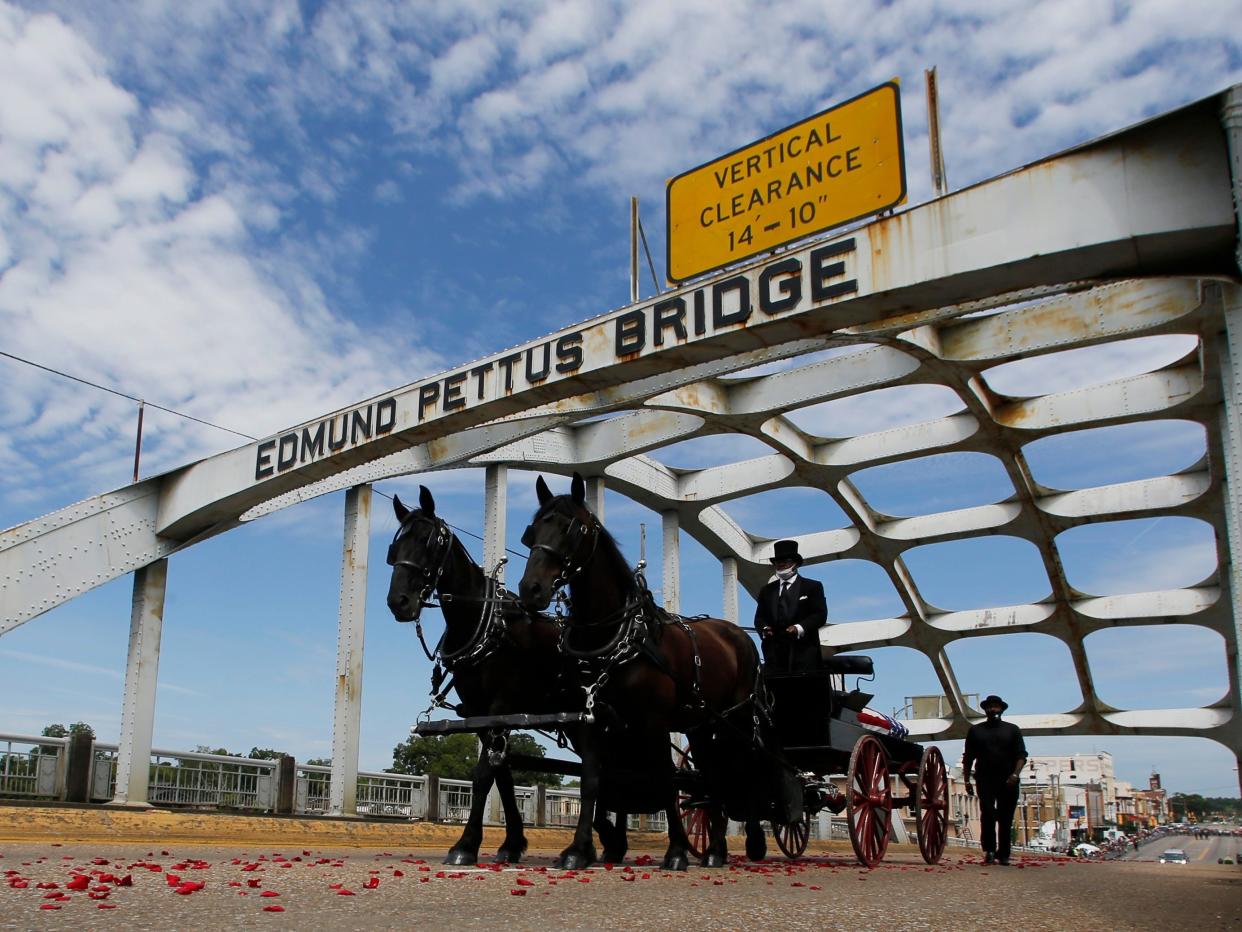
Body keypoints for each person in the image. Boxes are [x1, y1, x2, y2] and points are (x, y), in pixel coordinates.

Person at [962, 694, 1027, 866]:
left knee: (1006, 817)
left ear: (1002, 709)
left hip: (1009, 780)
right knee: (988, 814)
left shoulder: (1012, 730)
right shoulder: (975, 731)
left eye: (996, 706)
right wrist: (967, 780)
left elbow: (1021, 755)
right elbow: (968, 757)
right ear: (985, 710)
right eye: (990, 706)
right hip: (985, 779)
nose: (993, 709)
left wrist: (1015, 774)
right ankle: (989, 850)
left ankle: (1004, 853)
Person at [753, 540, 827, 673]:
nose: (781, 564)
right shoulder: (767, 591)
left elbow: (820, 615)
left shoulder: (812, 587)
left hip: (804, 655)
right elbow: (759, 618)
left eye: (785, 560)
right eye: (777, 561)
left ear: (795, 563)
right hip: (774, 657)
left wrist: (798, 628)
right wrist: (764, 628)